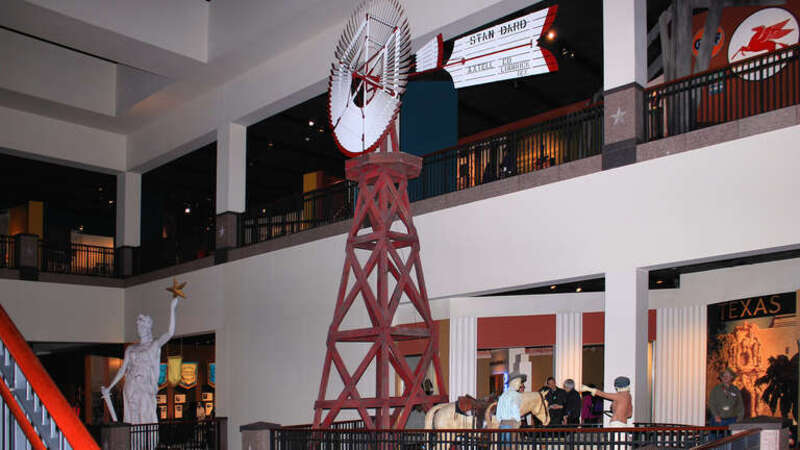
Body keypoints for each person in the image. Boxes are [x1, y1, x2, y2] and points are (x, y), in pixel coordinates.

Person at [102, 296, 179, 424]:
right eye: (138, 327)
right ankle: (134, 443)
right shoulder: (131, 348)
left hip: (145, 385)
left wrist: (172, 309)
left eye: (142, 326)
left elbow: (169, 333)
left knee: (145, 414)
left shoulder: (154, 345)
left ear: (148, 327)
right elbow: (122, 369)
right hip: (131, 384)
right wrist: (110, 387)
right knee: (132, 416)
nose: (140, 329)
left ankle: (146, 443)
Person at [497, 373, 526, 447]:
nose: (520, 385)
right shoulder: (516, 395)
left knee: (502, 446)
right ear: (515, 382)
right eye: (519, 382)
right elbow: (515, 408)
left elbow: (498, 413)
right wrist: (518, 421)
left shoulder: (503, 395)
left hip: (502, 424)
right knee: (512, 445)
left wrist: (500, 421)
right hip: (512, 423)